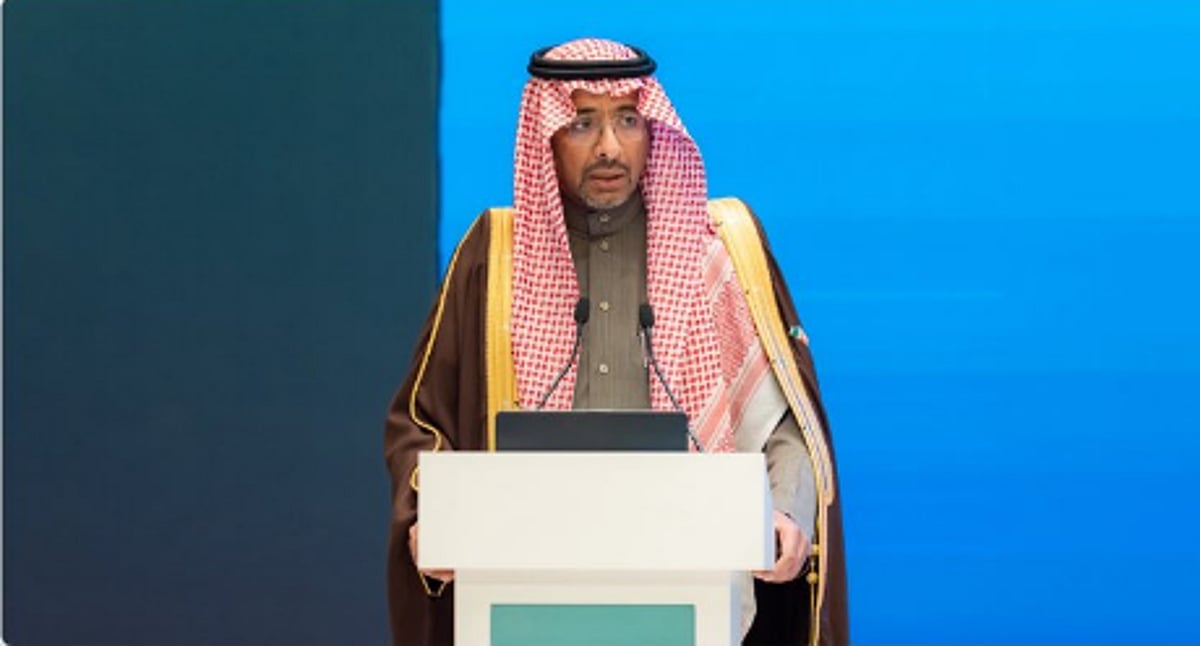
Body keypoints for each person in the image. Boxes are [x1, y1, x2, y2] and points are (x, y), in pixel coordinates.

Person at [384, 38, 848, 646]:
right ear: (547, 136)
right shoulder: (495, 256)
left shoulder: (715, 252)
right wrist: (434, 520)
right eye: (582, 123)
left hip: (690, 579)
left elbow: (783, 423)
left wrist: (785, 508)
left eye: (628, 120)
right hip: (529, 590)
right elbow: (422, 420)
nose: (609, 146)